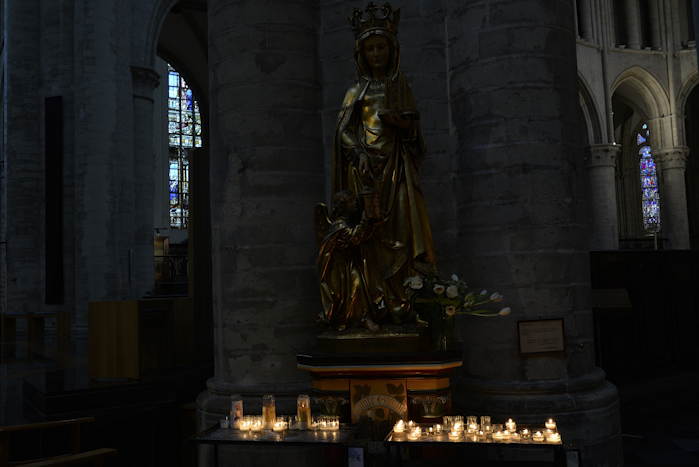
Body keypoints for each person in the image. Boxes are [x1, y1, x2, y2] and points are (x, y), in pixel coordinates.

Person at [331, 2, 437, 324]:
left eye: (381, 48)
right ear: (361, 54)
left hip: (397, 169)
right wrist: (359, 152)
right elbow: (343, 133)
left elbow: (415, 132)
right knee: (369, 238)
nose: (376, 54)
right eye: (371, 49)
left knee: (403, 231)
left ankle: (405, 300)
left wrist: (402, 125)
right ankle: (372, 303)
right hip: (365, 175)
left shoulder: (399, 86)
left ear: (392, 51)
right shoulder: (355, 91)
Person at [316, 191, 381, 331]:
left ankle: (361, 318)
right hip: (339, 269)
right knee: (354, 286)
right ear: (343, 206)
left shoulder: (345, 224)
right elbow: (354, 238)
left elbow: (361, 237)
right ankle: (349, 319)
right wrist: (365, 218)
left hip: (348, 264)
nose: (355, 204)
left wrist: (371, 223)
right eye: (352, 202)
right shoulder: (338, 226)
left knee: (358, 287)